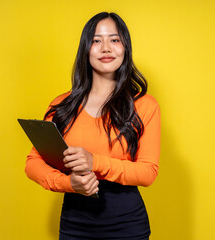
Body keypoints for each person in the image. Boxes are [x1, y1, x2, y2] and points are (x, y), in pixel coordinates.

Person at [25, 12, 161, 240]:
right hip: (74, 225)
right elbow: (33, 163)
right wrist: (68, 183)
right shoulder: (61, 105)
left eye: (114, 40)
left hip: (127, 227)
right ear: (86, 49)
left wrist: (94, 162)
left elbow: (148, 172)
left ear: (125, 48)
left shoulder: (145, 105)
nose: (106, 48)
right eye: (97, 40)